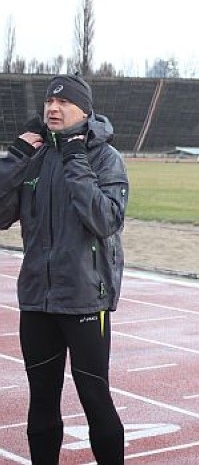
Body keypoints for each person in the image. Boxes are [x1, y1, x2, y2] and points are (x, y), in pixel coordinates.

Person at [0, 74, 129, 464]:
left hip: (85, 298)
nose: (53, 109)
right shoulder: (35, 155)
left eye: (63, 103)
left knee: (94, 396)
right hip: (37, 298)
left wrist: (75, 159)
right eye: (48, 104)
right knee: (41, 399)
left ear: (84, 111)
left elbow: (105, 220)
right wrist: (15, 159)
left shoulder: (106, 158)